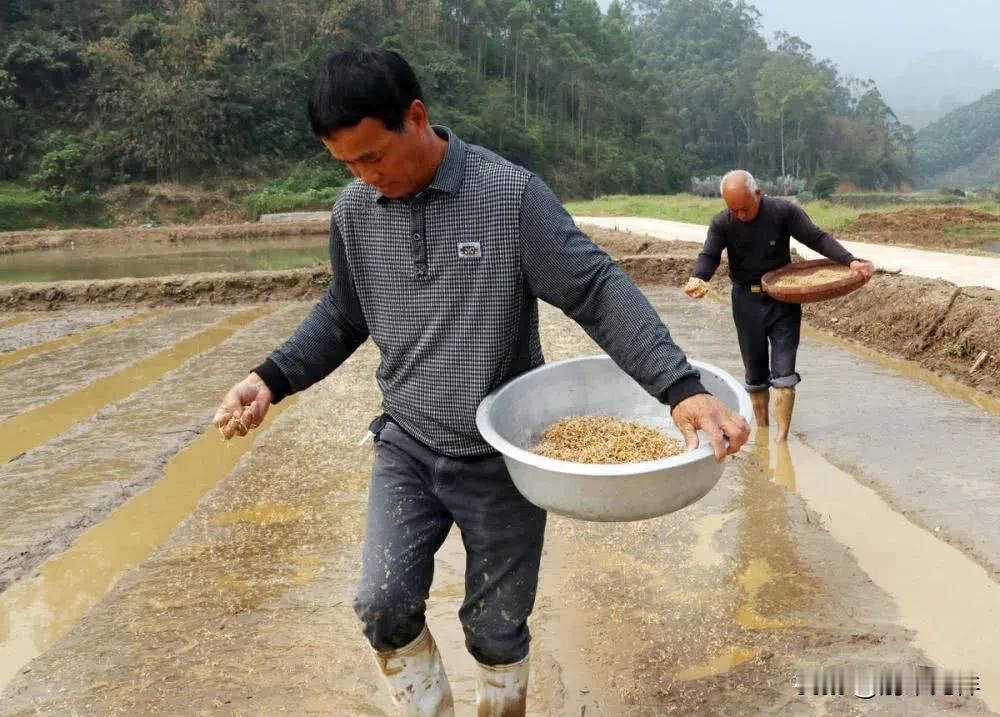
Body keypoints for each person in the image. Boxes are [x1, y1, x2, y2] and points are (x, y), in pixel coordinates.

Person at [214, 48, 750, 717]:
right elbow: (343, 313)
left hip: (501, 457)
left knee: (495, 629)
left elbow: (596, 289)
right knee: (382, 602)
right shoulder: (356, 212)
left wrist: (681, 386)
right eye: (347, 164)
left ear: (417, 117)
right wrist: (271, 377)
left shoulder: (508, 198)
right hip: (406, 444)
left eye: (373, 156)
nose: (365, 177)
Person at [684, 170, 874, 441]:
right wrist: (698, 277)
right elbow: (709, 255)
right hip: (745, 302)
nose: (739, 214)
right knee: (755, 378)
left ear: (758, 194)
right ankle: (763, 435)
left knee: (784, 377)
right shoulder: (722, 223)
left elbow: (816, 238)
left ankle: (781, 442)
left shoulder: (783, 212)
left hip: (783, 299)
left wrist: (850, 260)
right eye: (733, 209)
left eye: (745, 208)